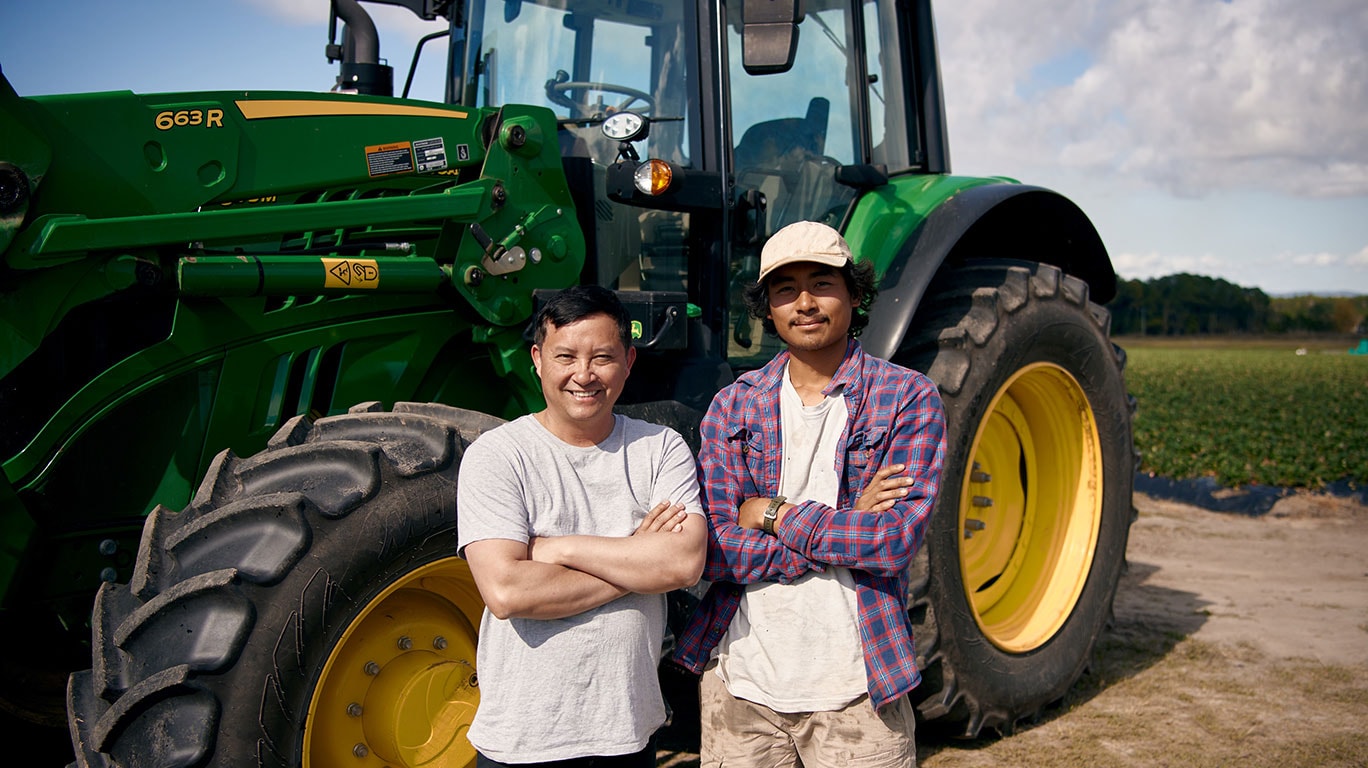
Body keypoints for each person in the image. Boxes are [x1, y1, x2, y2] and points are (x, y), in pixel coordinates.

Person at [673, 221, 947, 767]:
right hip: (742, 688)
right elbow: (715, 551)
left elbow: (891, 541)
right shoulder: (734, 405)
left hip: (860, 689)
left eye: (822, 283)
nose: (805, 302)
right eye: (784, 289)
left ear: (854, 294)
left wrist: (770, 512)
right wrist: (846, 523)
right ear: (768, 308)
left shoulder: (907, 398)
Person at [457, 284, 708, 767]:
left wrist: (558, 548)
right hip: (525, 737)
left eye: (603, 358)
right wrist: (636, 556)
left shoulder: (661, 448)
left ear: (629, 361)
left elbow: (683, 563)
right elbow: (508, 591)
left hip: (627, 732)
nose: (584, 375)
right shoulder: (498, 456)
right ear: (537, 358)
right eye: (566, 356)